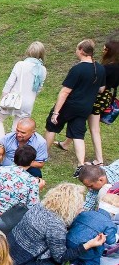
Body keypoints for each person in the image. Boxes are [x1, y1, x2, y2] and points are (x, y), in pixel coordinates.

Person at [9, 183, 102, 265]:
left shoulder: (40, 207)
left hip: (10, 254)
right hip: (24, 264)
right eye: (80, 205)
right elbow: (60, 257)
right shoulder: (55, 224)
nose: (81, 207)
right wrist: (89, 245)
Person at [45, 39, 106, 169]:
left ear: (82, 51)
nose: (76, 51)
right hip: (85, 107)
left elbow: (64, 92)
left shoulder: (77, 69)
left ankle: (43, 154)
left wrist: (56, 112)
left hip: (70, 105)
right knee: (78, 134)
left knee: (52, 126)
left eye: (77, 48)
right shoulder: (100, 68)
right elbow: (101, 89)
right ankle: (80, 164)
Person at [0, 42, 47, 140]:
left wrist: (3, 97)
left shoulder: (21, 64)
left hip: (13, 99)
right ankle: (12, 148)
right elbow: (38, 88)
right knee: (17, 128)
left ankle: (2, 143)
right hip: (28, 102)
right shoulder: (43, 69)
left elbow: (10, 82)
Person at [0, 145, 43, 224]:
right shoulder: (32, 181)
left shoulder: (0, 170)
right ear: (32, 162)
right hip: (4, 223)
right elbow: (32, 208)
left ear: (14, 158)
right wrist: (38, 189)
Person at [65, 193, 118, 265]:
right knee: (96, 255)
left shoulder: (85, 213)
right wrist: (116, 237)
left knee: (79, 251)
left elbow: (74, 224)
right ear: (114, 213)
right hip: (87, 249)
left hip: (69, 242)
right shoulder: (110, 225)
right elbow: (110, 241)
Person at [84, 40, 119, 166]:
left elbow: (101, 87)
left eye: (105, 49)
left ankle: (99, 159)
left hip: (97, 98)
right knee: (80, 119)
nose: (103, 51)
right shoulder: (116, 66)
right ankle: (66, 143)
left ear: (110, 51)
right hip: (107, 98)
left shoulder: (107, 68)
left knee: (94, 129)